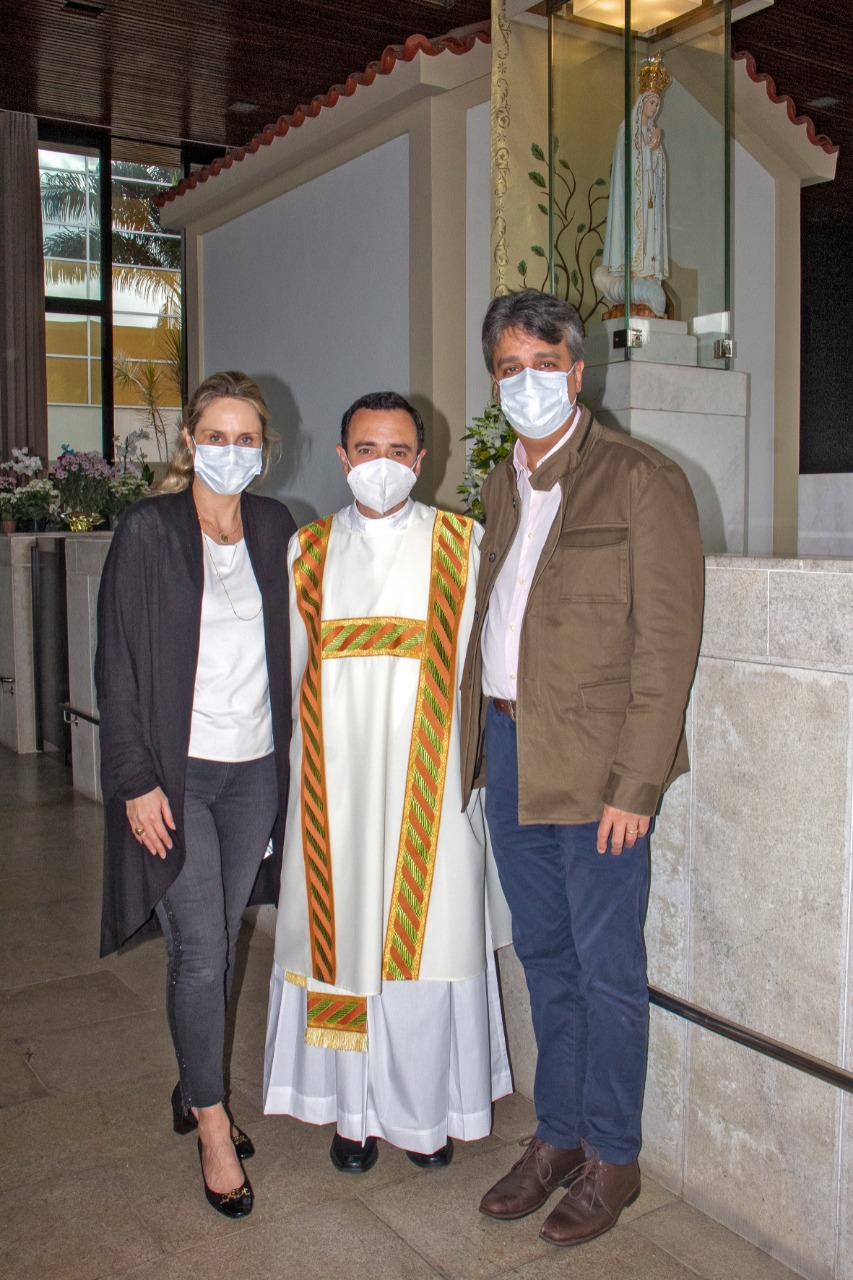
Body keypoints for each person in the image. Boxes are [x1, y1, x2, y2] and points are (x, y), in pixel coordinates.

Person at [460, 291, 704, 1247]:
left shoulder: (641, 480)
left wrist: (634, 785)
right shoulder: (499, 484)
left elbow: (666, 648)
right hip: (511, 750)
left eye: (541, 364)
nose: (524, 382)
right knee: (544, 957)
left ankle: (612, 1156)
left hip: (598, 767)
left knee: (606, 970)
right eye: (506, 368)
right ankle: (556, 1135)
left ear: (576, 369)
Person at [264, 390, 511, 1171]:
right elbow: (284, 676)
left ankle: (426, 1118)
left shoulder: (462, 545)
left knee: (427, 948)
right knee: (344, 942)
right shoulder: (305, 552)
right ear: (343, 458)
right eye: (366, 450)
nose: (382, 465)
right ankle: (352, 1117)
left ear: (421, 461)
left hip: (430, 795)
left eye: (398, 452)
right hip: (331, 795)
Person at [96, 371, 296, 1219]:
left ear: (263, 449)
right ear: (188, 441)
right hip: (178, 775)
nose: (230, 450)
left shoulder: (276, 526)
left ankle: (194, 1083)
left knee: (223, 933)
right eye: (215, 436)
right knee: (202, 951)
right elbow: (116, 662)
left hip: (255, 771)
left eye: (245, 438)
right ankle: (213, 1124)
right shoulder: (148, 529)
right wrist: (135, 779)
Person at [593, 55, 671, 318]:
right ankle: (632, 270)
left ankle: (647, 272)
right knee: (635, 231)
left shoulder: (652, 133)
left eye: (657, 104)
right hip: (633, 200)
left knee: (650, 231)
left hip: (649, 200)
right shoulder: (627, 129)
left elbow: (657, 169)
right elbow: (627, 166)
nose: (654, 108)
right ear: (642, 102)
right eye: (651, 103)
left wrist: (656, 151)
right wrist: (648, 150)